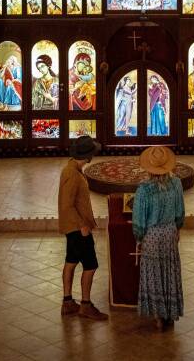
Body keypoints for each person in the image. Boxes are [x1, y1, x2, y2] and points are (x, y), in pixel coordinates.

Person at [133, 146, 185, 330]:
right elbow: (180, 212)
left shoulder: (144, 190)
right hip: (170, 232)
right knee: (169, 271)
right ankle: (170, 312)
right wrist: (177, 229)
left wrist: (139, 237)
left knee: (154, 274)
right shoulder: (176, 184)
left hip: (152, 236)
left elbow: (139, 220)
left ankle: (158, 318)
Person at [59, 136, 108, 321]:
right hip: (77, 228)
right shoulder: (72, 174)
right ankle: (85, 306)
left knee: (71, 261)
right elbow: (67, 205)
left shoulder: (72, 168)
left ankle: (68, 302)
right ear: (88, 156)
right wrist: (82, 225)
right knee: (91, 265)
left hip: (72, 226)